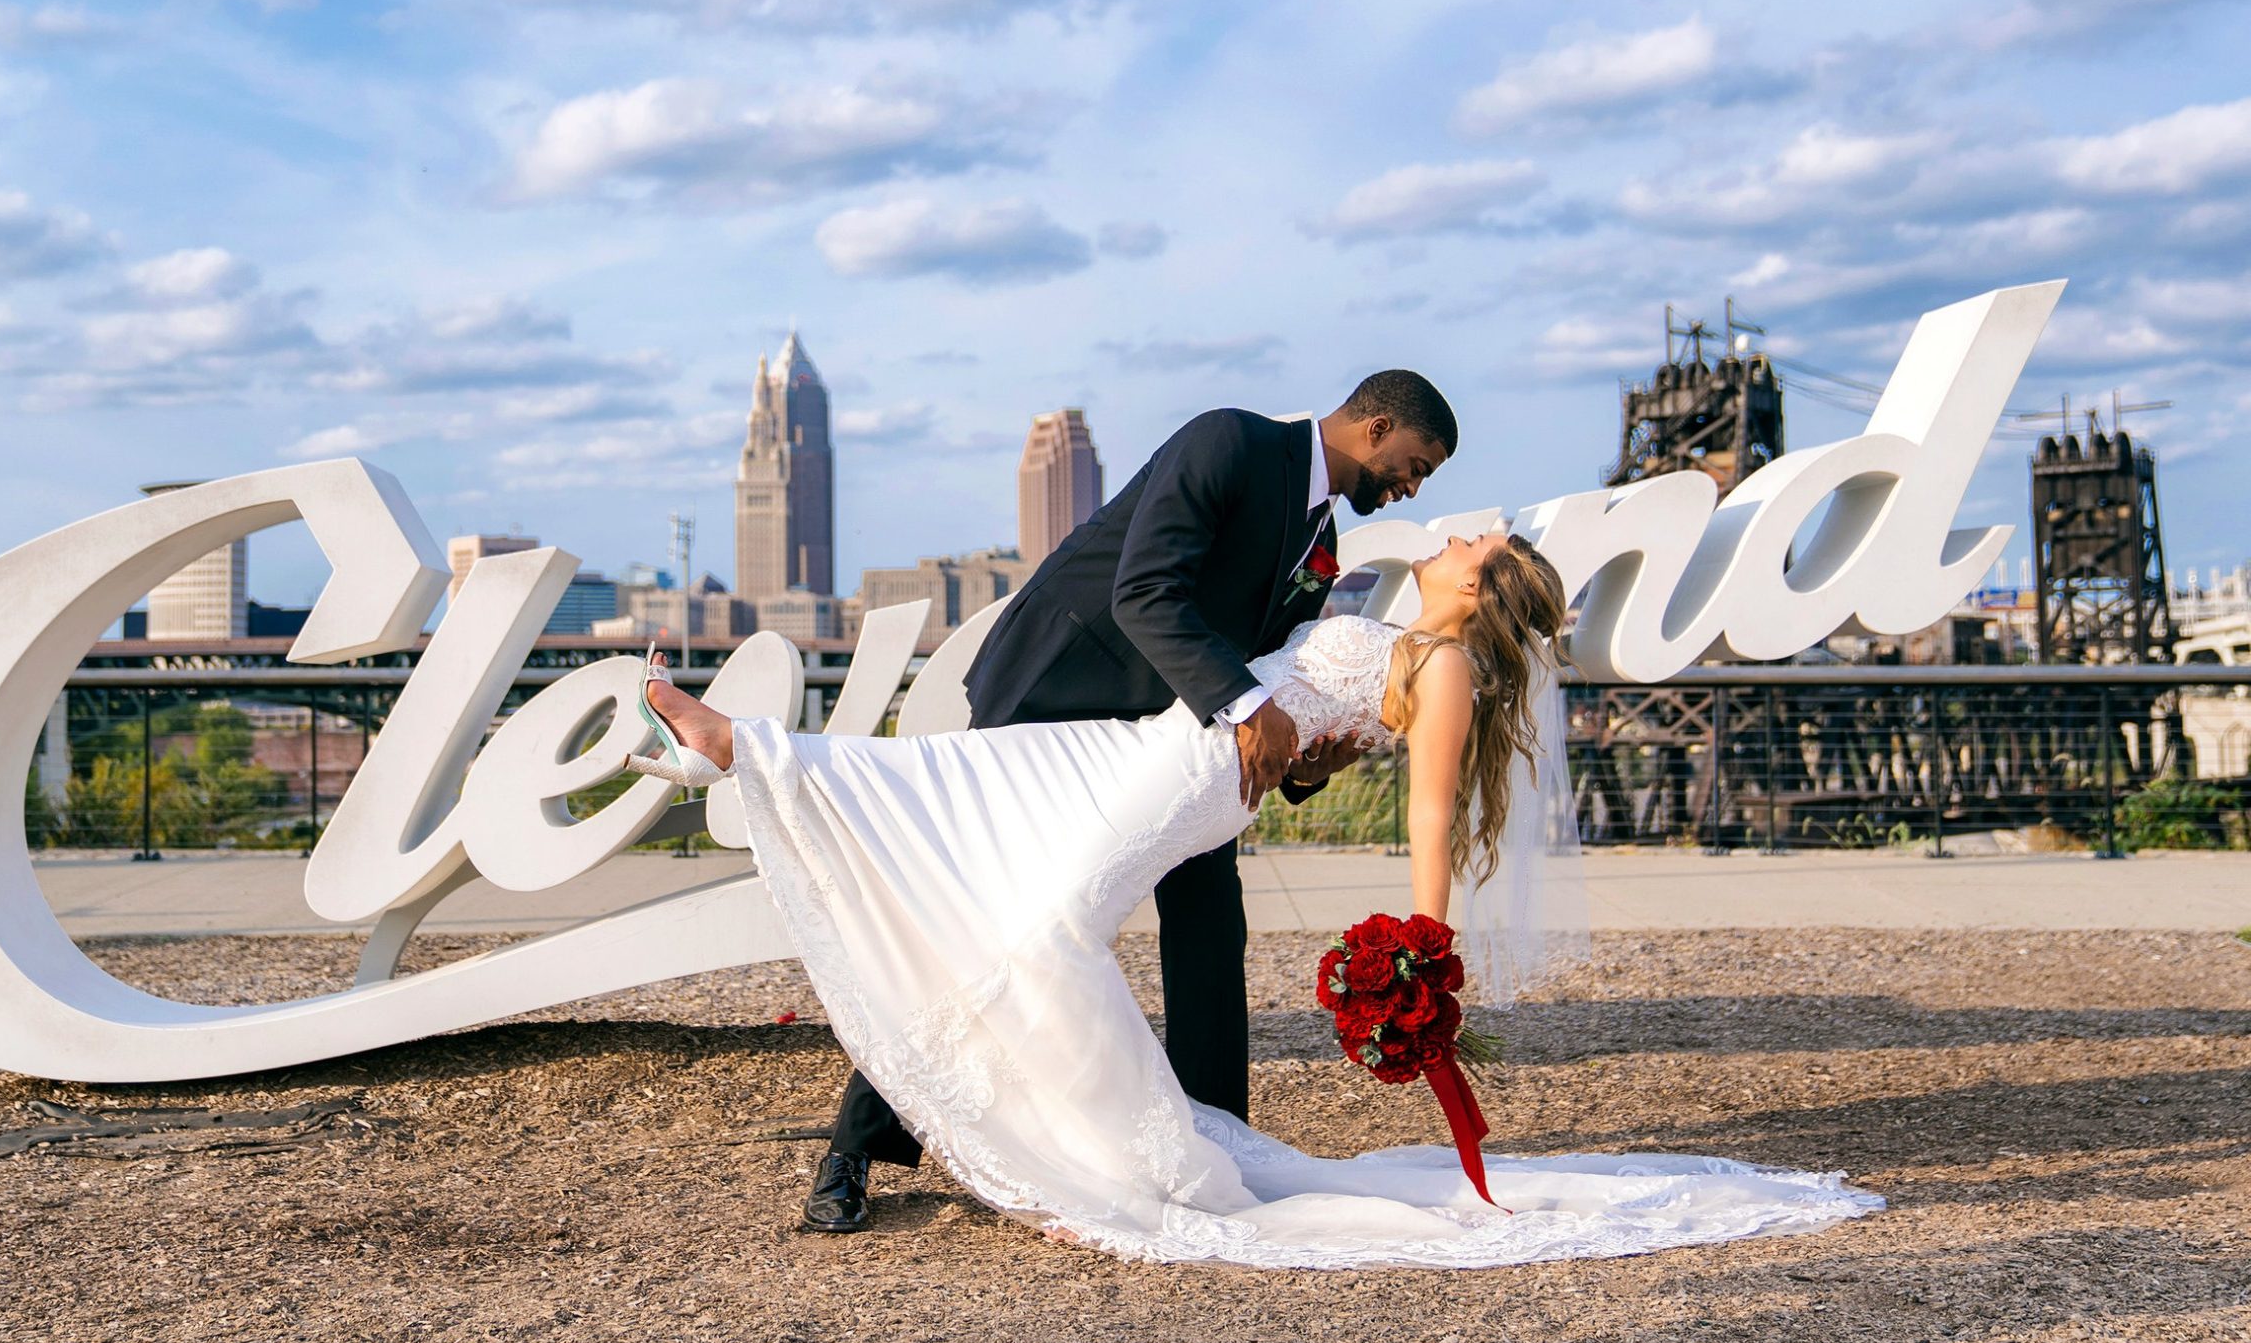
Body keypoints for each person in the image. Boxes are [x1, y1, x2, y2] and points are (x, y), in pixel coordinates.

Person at [625, 530, 1883, 1268]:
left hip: (1182, 776)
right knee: (960, 782)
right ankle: (734, 751)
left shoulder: (1442, 665)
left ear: (1479, 590)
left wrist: (1424, 937)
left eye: (1473, 544)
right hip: (1143, 744)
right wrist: (1322, 738)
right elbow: (1320, 719)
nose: (1451, 534)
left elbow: (1430, 806)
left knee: (1042, 928)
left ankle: (1124, 1170)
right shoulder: (1392, 621)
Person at [792, 374, 1457, 1232]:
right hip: (1051, 694)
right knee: (993, 925)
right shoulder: (1231, 442)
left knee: (1211, 918)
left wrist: (1307, 765)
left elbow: (1263, 667)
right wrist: (1250, 710)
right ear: (1375, 428)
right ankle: (855, 1147)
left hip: (1170, 739)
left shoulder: (1319, 532)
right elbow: (1143, 591)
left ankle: (1217, 1148)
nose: (1412, 486)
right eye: (1416, 464)